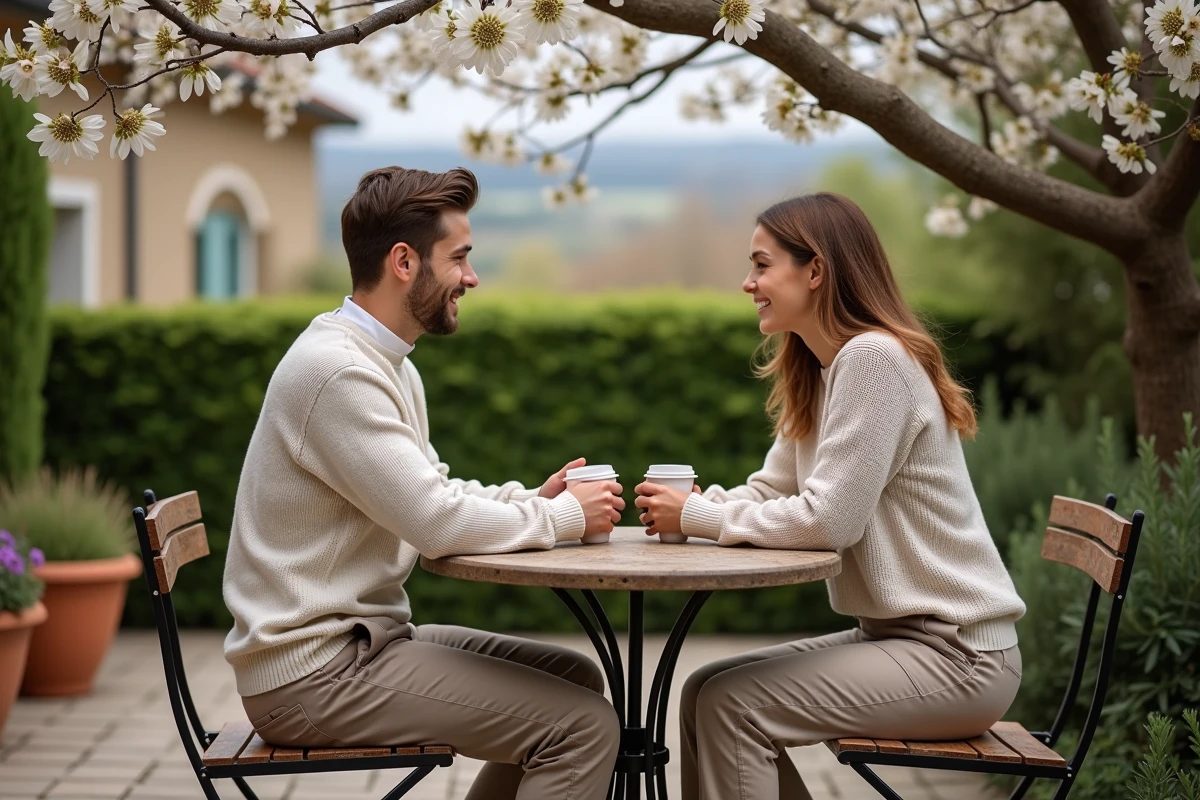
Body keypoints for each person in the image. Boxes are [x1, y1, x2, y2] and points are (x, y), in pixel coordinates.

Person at [223, 165, 623, 800]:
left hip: (362, 645)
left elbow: (432, 488)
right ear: (404, 262)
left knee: (574, 679)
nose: (472, 277)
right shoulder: (338, 373)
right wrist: (567, 518)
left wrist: (534, 501)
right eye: (458, 258)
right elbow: (436, 523)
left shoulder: (388, 363)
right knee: (583, 726)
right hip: (314, 676)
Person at [634, 192, 1027, 800]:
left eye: (762, 265)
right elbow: (772, 489)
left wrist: (699, 514)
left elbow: (830, 521)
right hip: (900, 641)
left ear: (814, 270)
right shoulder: (821, 367)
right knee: (705, 693)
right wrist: (700, 508)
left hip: (958, 656)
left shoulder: (873, 360)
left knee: (733, 706)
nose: (748, 283)